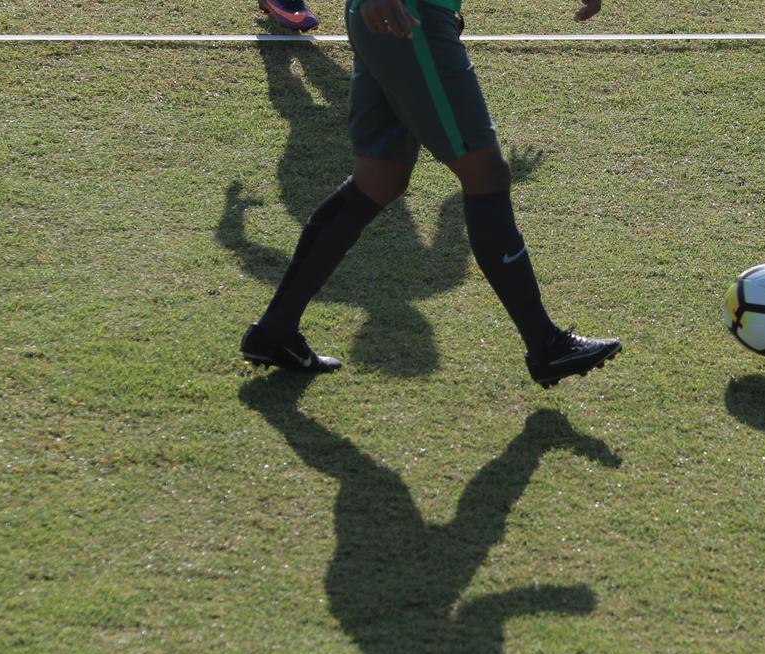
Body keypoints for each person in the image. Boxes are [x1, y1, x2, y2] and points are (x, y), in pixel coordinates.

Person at [240, 0, 621, 388]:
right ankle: (546, 344)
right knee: (485, 174)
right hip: (410, 17)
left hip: (395, 20)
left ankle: (275, 331)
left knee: (380, 178)